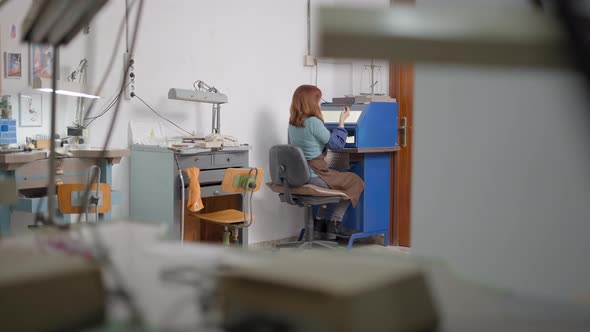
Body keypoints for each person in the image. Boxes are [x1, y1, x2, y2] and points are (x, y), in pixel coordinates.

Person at [287, 85, 364, 240]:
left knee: (335, 180)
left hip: (298, 176)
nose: (321, 103)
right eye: (319, 99)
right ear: (311, 101)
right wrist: (341, 122)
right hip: (315, 177)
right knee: (355, 181)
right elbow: (337, 145)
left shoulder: (292, 124)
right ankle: (334, 223)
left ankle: (319, 223)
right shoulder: (314, 122)